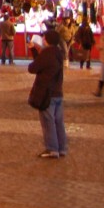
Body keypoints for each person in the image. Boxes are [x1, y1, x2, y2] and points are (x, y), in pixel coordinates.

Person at [28, 28, 67, 158]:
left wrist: (35, 50)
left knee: (48, 121)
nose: (43, 39)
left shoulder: (47, 53)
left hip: (46, 93)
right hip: (58, 92)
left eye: (44, 38)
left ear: (48, 40)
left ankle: (52, 149)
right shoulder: (58, 53)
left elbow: (33, 68)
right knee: (58, 122)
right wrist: (36, 51)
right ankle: (62, 148)